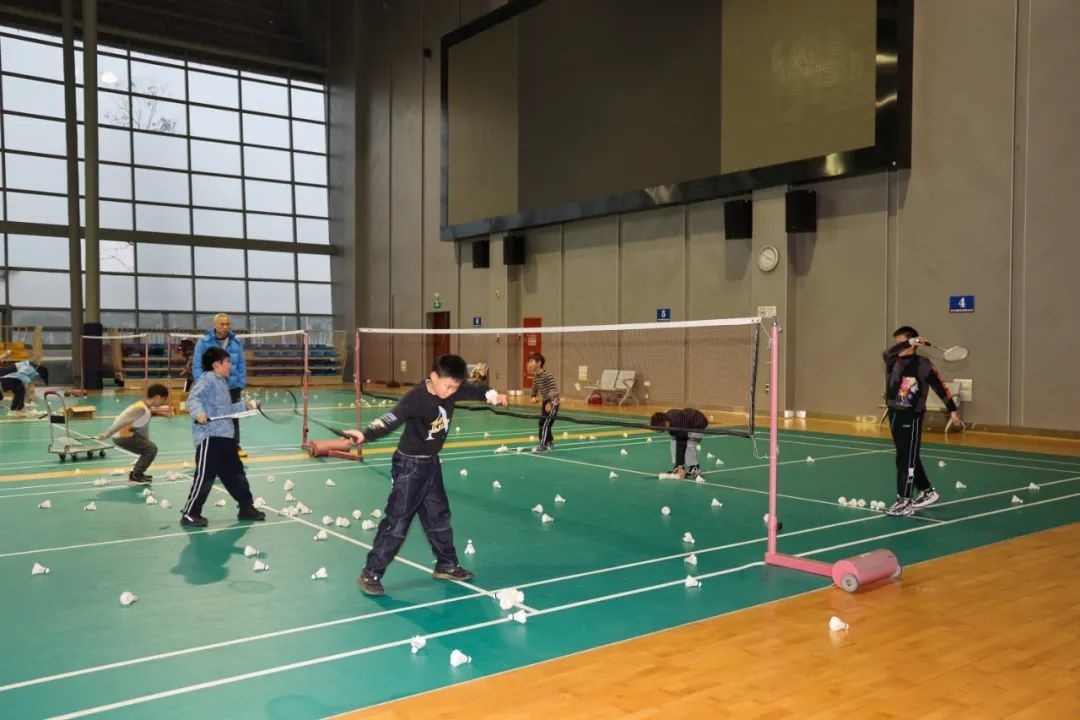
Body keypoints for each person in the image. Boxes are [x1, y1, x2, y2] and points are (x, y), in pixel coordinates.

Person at [343, 354, 508, 596]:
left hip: (430, 464)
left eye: (455, 387)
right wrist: (365, 434)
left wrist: (493, 395)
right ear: (433, 377)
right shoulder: (417, 397)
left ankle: (446, 564)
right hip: (409, 467)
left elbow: (474, 390)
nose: (451, 392)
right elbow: (390, 418)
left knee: (439, 517)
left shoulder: (451, 390)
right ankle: (371, 573)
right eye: (448, 386)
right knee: (398, 522)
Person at [180, 347, 265, 528]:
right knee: (205, 477)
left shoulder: (222, 382)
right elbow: (193, 399)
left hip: (226, 438)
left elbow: (227, 411)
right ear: (216, 365)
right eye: (227, 362)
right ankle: (190, 513)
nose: (230, 366)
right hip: (210, 437)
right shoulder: (207, 379)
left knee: (236, 475)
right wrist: (199, 413)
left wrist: (246, 405)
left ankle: (246, 507)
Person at [882, 326, 961, 517]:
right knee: (907, 456)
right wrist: (909, 342)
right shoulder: (893, 360)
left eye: (902, 342)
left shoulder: (924, 364)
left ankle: (904, 501)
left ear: (913, 343)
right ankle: (927, 491)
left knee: (906, 459)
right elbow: (887, 352)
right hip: (894, 414)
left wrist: (952, 409)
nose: (898, 346)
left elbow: (940, 386)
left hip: (911, 416)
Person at [193, 313, 247, 457]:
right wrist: (202, 382)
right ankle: (209, 444)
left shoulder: (236, 342)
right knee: (212, 414)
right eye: (222, 324)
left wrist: (240, 383)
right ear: (215, 325)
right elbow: (197, 365)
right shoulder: (203, 342)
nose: (225, 327)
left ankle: (234, 445)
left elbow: (242, 364)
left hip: (233, 385)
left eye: (227, 324)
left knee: (233, 415)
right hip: (212, 386)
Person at [96, 383, 173, 485]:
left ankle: (137, 474)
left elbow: (148, 413)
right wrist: (107, 434)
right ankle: (136, 475)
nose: (163, 402)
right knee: (151, 449)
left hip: (130, 433)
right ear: (157, 397)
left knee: (148, 448)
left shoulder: (144, 406)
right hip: (123, 436)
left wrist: (162, 414)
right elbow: (121, 422)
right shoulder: (140, 408)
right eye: (163, 399)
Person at [650, 408, 709, 479]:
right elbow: (677, 439)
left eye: (660, 429)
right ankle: (677, 468)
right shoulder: (668, 421)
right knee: (674, 441)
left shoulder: (678, 422)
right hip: (688, 425)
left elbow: (681, 444)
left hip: (699, 426)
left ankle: (695, 468)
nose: (660, 431)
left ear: (666, 423)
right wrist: (679, 466)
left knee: (688, 443)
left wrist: (680, 467)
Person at [527, 352, 560, 452]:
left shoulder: (547, 375)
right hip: (545, 402)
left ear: (539, 363)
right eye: (529, 362)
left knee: (545, 423)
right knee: (543, 422)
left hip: (553, 402)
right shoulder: (536, 376)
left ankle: (543, 444)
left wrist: (550, 403)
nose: (529, 364)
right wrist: (533, 396)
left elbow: (553, 390)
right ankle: (549, 441)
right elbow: (534, 388)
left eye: (531, 361)